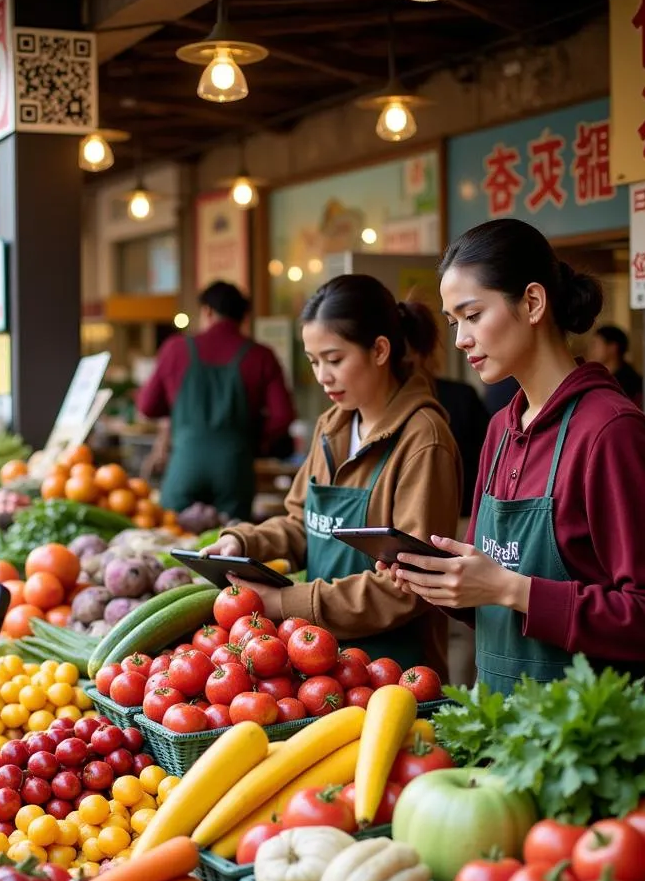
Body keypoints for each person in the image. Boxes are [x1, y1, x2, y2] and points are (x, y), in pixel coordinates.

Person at [385, 219, 645, 693]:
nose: (461, 339)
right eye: (453, 323)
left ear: (532, 302)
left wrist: (511, 589)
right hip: (501, 732)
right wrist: (442, 582)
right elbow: (495, 598)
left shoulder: (612, 433)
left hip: (593, 747)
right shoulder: (500, 431)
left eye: (472, 314)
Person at [201, 274, 463, 677]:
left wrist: (285, 603)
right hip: (323, 661)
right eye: (313, 361)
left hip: (393, 671)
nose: (322, 375)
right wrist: (243, 541)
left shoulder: (424, 439)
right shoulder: (332, 426)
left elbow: (410, 584)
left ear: (379, 349)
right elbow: (301, 524)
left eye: (334, 359)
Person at [136, 281, 296, 520]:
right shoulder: (261, 355)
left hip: (184, 465)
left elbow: (147, 406)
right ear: (243, 316)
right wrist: (254, 441)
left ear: (207, 311)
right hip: (235, 468)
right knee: (230, 545)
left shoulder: (176, 349)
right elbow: (283, 415)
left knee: (169, 538)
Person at [409, 338, 490, 687]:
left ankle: (457, 701)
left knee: (458, 621)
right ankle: (460, 698)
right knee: (458, 630)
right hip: (464, 516)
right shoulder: (461, 395)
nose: (462, 339)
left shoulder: (422, 415)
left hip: (462, 522)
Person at [588, 323, 643, 407]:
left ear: (612, 347)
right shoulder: (596, 378)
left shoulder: (631, 383)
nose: (592, 350)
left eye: (596, 345)